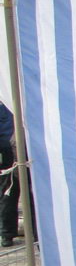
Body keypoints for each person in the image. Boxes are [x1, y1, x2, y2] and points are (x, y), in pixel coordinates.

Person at [0, 103, 19, 247]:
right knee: (8, 192)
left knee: (10, 192)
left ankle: (7, 234)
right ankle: (6, 234)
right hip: (9, 150)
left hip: (18, 147)